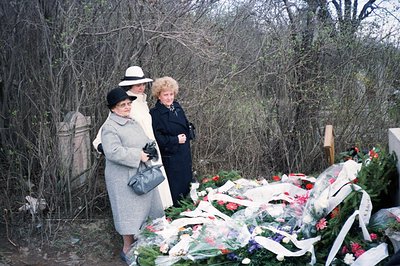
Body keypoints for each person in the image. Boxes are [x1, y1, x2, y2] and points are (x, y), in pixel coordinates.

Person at [93, 66, 173, 209]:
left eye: (143, 84)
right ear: (129, 85)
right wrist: (103, 147)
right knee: (145, 189)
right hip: (137, 155)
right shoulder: (125, 103)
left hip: (150, 150)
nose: (141, 87)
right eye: (138, 84)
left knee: (158, 184)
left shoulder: (142, 101)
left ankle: (160, 216)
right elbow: (105, 131)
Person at [101, 87, 164, 265]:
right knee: (128, 215)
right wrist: (138, 155)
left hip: (142, 175)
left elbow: (145, 139)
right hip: (123, 179)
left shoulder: (132, 121)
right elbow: (112, 152)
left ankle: (146, 246)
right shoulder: (109, 127)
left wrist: (150, 147)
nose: (127, 107)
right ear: (113, 108)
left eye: (129, 104)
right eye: (123, 105)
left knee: (150, 211)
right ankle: (127, 250)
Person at [150, 76, 193, 206]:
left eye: (171, 94)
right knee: (175, 188)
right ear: (159, 96)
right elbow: (157, 138)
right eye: (165, 95)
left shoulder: (177, 107)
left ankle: (187, 209)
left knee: (187, 183)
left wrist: (190, 131)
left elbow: (185, 124)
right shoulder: (155, 113)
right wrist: (175, 140)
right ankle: (175, 212)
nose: (169, 98)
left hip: (184, 153)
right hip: (171, 156)